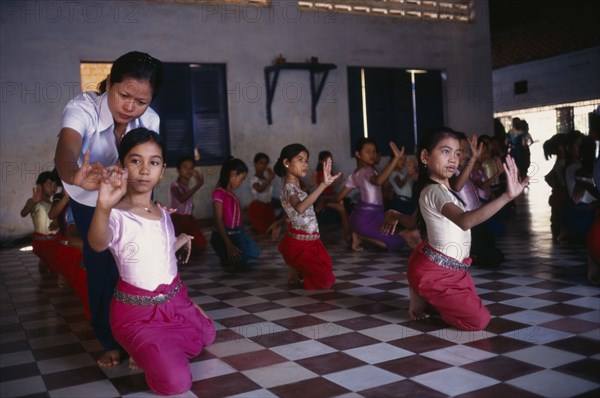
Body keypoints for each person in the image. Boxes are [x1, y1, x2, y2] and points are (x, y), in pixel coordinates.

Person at [54, 51, 164, 367]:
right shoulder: (82, 108)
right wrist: (74, 174)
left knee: (134, 267)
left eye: (141, 101)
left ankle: (137, 333)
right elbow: (66, 148)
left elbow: (150, 165)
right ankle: (109, 339)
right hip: (89, 201)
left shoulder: (151, 119)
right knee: (101, 267)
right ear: (109, 84)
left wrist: (148, 207)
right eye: (124, 95)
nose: (130, 106)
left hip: (129, 199)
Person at [87, 128, 215, 395]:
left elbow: (158, 250)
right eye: (135, 161)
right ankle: (144, 348)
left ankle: (161, 342)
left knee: (209, 335)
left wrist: (181, 238)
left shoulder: (161, 211)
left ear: (162, 168)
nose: (145, 170)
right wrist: (102, 206)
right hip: (138, 313)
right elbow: (98, 243)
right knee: (176, 383)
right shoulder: (115, 213)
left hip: (174, 299)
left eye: (153, 162)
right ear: (121, 166)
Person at [384, 127, 528, 331]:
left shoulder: (442, 189)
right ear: (425, 156)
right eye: (445, 151)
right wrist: (506, 197)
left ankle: (423, 294)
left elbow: (411, 221)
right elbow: (464, 221)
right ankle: (424, 291)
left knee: (470, 304)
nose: (453, 158)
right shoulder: (434, 191)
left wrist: (394, 214)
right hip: (436, 272)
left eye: (457, 153)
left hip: (449, 269)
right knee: (479, 321)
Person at [20, 171, 90, 317]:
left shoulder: (55, 203)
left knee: (71, 266)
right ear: (40, 185)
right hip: (45, 243)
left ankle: (64, 278)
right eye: (48, 184)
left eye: (53, 184)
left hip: (56, 241)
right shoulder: (41, 200)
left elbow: (56, 219)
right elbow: (23, 213)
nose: (52, 187)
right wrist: (33, 201)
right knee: (70, 266)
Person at [274, 143, 338, 290]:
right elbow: (300, 207)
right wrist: (323, 185)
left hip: (313, 240)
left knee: (326, 266)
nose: (305, 164)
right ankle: (296, 266)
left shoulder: (296, 186)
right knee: (327, 281)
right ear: (286, 163)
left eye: (306, 160)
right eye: (300, 160)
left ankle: (297, 269)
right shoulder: (289, 189)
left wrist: (310, 187)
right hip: (300, 246)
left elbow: (294, 210)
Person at [329, 138, 411, 252]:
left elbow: (338, 197)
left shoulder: (355, 173)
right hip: (367, 217)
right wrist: (395, 159)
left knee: (395, 240)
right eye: (367, 151)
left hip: (363, 216)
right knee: (397, 243)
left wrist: (326, 199)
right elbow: (378, 181)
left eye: (374, 151)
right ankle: (359, 236)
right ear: (358, 154)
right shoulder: (367, 170)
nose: (372, 154)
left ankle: (356, 235)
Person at [210, 157, 260, 270]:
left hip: (238, 232)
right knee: (242, 265)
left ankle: (231, 255)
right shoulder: (219, 192)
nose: (241, 183)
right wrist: (229, 245)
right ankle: (226, 253)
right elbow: (218, 219)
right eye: (241, 179)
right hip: (227, 234)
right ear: (233, 174)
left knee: (255, 251)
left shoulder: (230, 192)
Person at [169, 156, 208, 254]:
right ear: (178, 169)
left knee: (199, 245)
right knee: (182, 247)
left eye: (191, 168)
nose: (188, 170)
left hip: (189, 221)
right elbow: (182, 199)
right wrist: (198, 185)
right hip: (178, 221)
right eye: (185, 167)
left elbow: (188, 203)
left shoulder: (186, 187)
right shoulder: (174, 185)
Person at [313, 150, 351, 242]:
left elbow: (332, 183)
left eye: (331, 159)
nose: (331, 161)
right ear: (321, 161)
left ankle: (347, 233)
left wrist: (339, 180)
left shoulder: (329, 172)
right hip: (324, 195)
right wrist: (339, 180)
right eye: (327, 159)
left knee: (344, 205)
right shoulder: (320, 172)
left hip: (331, 195)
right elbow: (328, 183)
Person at [247, 152, 277, 234]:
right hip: (258, 209)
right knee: (264, 231)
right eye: (261, 163)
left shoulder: (265, 178)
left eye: (265, 163)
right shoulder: (253, 179)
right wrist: (269, 179)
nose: (263, 165)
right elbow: (259, 189)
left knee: (272, 230)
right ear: (255, 164)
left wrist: (269, 178)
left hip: (268, 209)